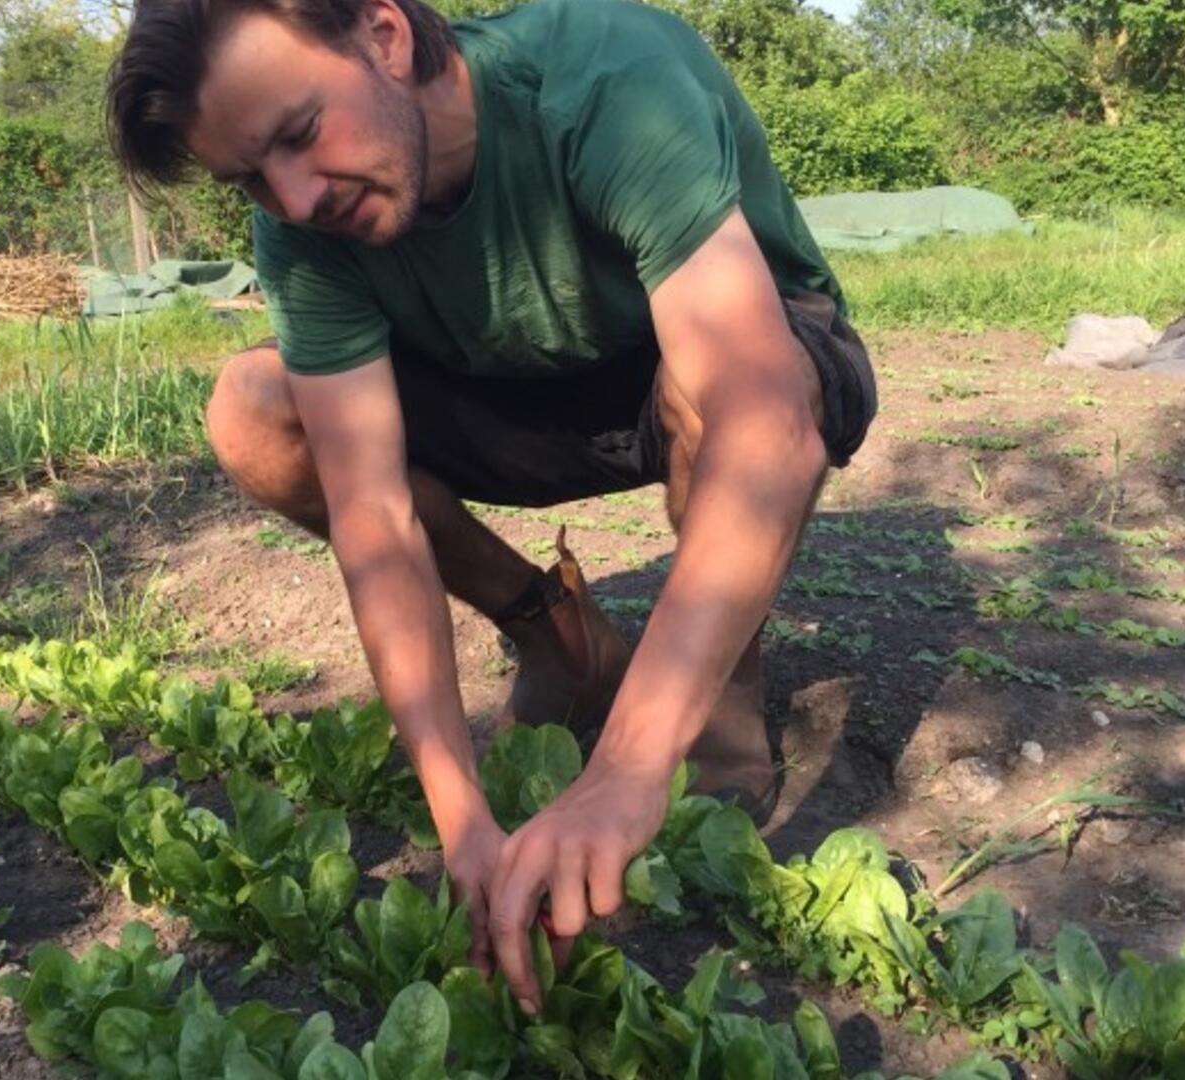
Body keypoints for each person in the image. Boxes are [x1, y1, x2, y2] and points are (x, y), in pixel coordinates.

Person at [107, 0, 876, 1016]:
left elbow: (765, 415)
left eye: (300, 134)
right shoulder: (304, 231)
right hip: (514, 402)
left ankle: (718, 720)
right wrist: (460, 817)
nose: (291, 198)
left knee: (724, 384)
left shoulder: (602, 78)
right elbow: (374, 518)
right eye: (249, 176)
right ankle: (556, 631)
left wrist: (622, 771)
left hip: (707, 361)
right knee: (254, 408)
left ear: (383, 34)